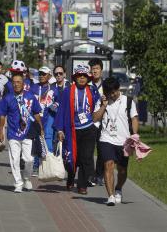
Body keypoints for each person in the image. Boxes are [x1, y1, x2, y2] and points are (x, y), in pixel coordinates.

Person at [93, 77, 139, 206]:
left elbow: (134, 119)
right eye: (109, 93)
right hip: (106, 138)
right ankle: (111, 196)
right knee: (108, 165)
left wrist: (135, 134)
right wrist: (103, 106)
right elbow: (95, 119)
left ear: (118, 89)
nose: (112, 95)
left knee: (122, 170)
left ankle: (118, 188)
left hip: (124, 141)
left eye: (114, 92)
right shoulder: (102, 101)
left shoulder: (128, 101)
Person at [55, 65, 100, 194]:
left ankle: (82, 185)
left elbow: (97, 108)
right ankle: (70, 177)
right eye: (79, 76)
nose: (82, 78)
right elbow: (61, 111)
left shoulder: (92, 90)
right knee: (71, 158)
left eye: (84, 76)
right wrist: (60, 129)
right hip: (72, 130)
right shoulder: (68, 91)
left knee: (86, 158)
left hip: (88, 129)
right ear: (75, 77)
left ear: (88, 78)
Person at [0, 72, 43, 193]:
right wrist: (0, 131)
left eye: (19, 82)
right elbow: (2, 115)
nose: (16, 84)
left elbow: (37, 113)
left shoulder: (30, 96)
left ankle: (26, 178)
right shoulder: (8, 98)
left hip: (28, 132)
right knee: (14, 159)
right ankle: (18, 182)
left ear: (24, 84)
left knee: (29, 159)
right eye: (14, 82)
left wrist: (41, 128)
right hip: (13, 132)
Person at [30, 66, 59, 153]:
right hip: (35, 116)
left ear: (49, 76)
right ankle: (36, 164)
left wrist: (54, 106)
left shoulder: (54, 89)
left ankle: (48, 161)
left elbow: (58, 102)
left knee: (48, 138)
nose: (41, 76)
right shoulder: (33, 87)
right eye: (40, 74)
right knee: (35, 139)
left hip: (48, 116)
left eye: (44, 74)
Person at [89, 58, 105, 186]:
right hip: (89, 122)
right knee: (88, 150)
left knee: (102, 150)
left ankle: (99, 175)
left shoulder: (106, 85)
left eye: (97, 69)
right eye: (93, 69)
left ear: (101, 70)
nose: (95, 71)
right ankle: (90, 174)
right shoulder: (87, 85)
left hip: (104, 122)